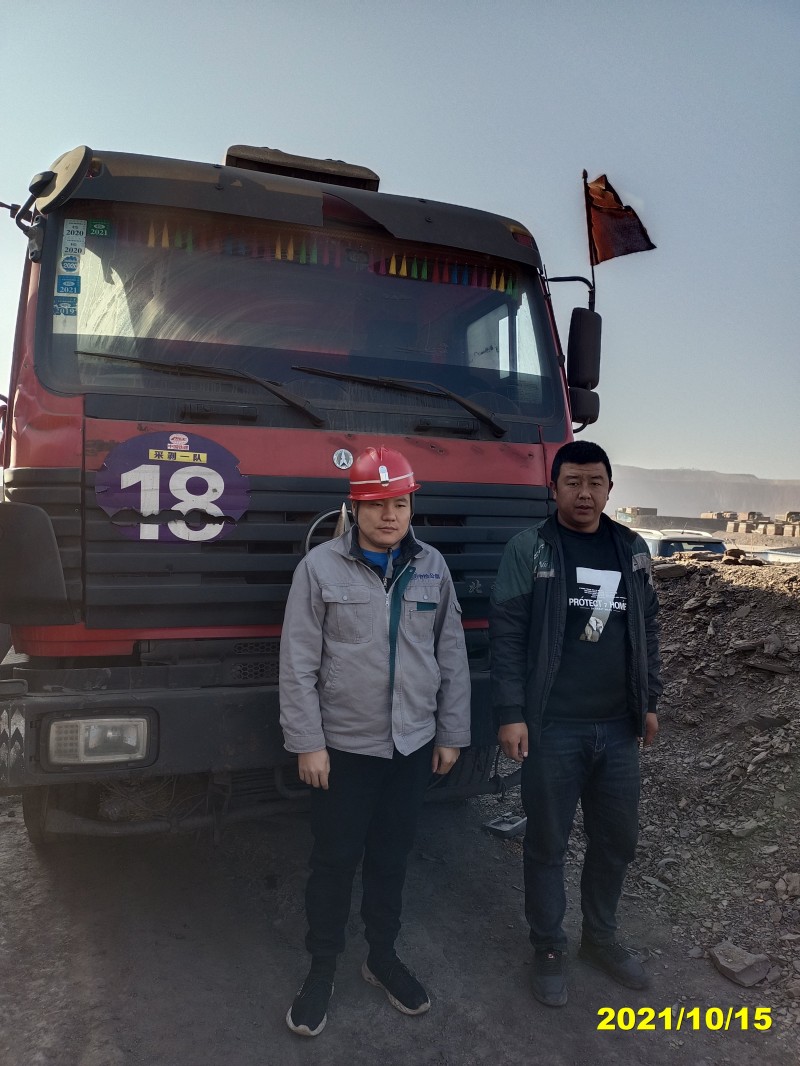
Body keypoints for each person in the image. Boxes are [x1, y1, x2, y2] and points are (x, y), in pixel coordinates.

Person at [279, 445, 471, 1037]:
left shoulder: (432, 567)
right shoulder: (319, 569)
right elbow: (297, 662)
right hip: (343, 751)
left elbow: (451, 653)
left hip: (411, 748)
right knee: (334, 861)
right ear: (354, 508)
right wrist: (308, 743)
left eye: (400, 504)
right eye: (377, 504)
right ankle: (322, 969)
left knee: (391, 858)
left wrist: (451, 733)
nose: (390, 515)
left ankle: (381, 957)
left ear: (412, 507)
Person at [489, 440, 661, 1007]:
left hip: (617, 729)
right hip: (553, 727)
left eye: (595, 483)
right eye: (573, 482)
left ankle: (600, 940)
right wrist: (511, 714)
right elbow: (507, 636)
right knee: (547, 843)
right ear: (554, 487)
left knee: (617, 841)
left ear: (610, 489)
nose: (584, 493)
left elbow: (647, 629)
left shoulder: (631, 548)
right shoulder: (530, 549)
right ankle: (548, 947)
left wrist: (649, 701)